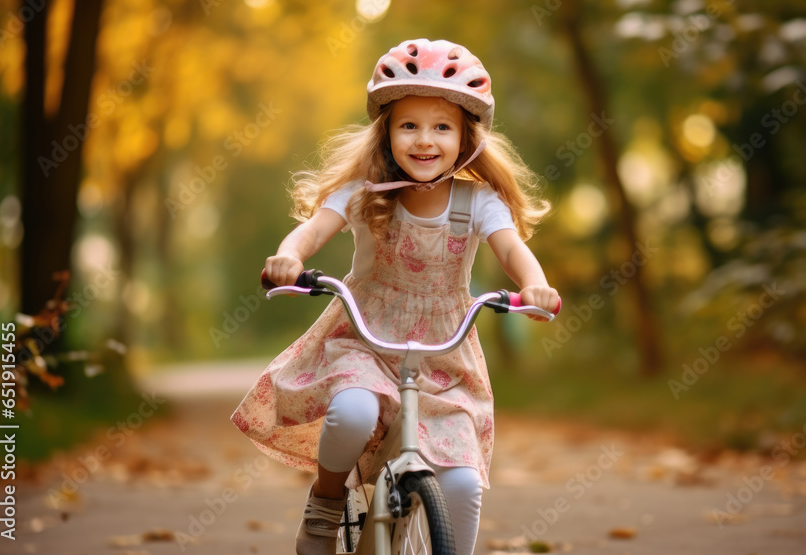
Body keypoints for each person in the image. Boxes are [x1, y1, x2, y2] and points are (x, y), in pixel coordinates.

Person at [231, 38, 560, 555]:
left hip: (443, 355)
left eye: (441, 127)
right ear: (385, 133)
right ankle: (325, 506)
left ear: (465, 137)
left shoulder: (477, 201)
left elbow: (514, 250)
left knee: (462, 484)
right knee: (353, 415)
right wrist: (288, 257)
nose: (424, 140)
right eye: (409, 125)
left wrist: (534, 285)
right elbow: (312, 231)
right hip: (366, 336)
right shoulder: (365, 192)